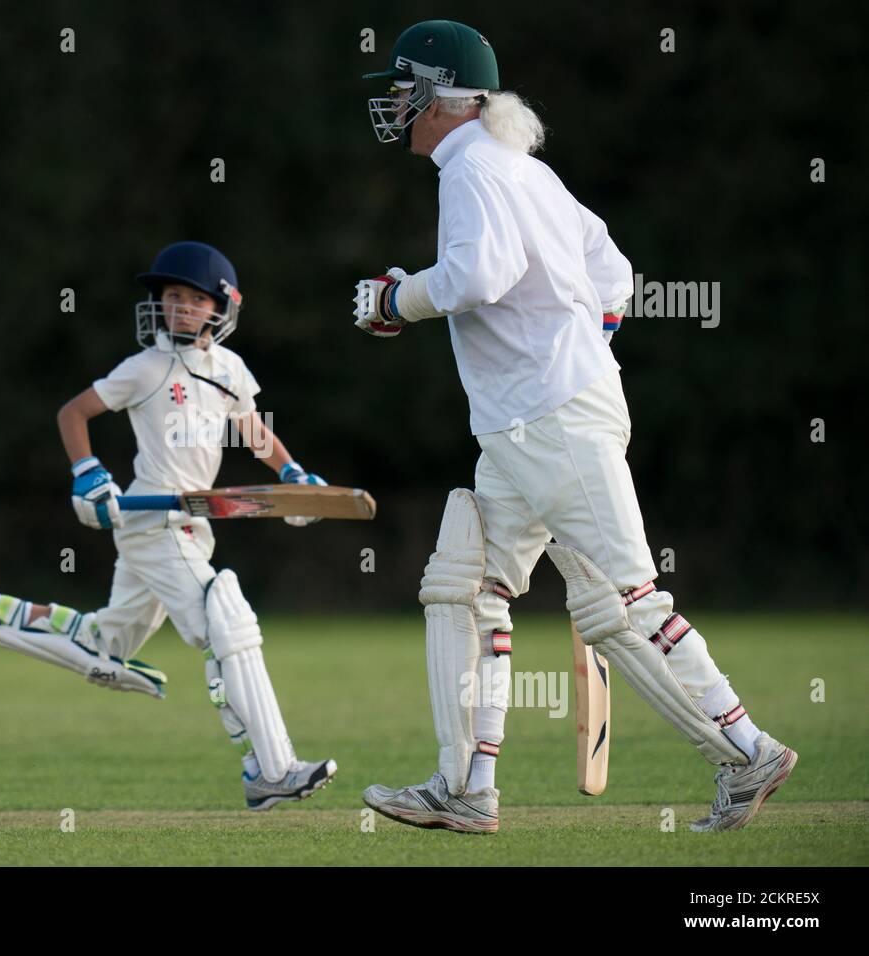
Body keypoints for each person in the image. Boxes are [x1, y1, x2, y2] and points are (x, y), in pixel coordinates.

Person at [352, 21, 796, 833]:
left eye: (401, 84)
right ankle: (468, 788)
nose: (392, 101)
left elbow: (480, 277)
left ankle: (748, 749)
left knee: (628, 600)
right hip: (530, 421)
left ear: (441, 94)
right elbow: (611, 271)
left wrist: (395, 299)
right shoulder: (524, 169)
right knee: (467, 585)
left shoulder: (475, 172)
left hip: (551, 419)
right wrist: (583, 344)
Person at [0, 241, 337, 810]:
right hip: (150, 522)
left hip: (192, 525)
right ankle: (268, 768)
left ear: (222, 306)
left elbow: (251, 432)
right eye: (171, 297)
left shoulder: (230, 372)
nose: (179, 308)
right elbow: (74, 412)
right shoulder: (146, 367)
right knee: (227, 621)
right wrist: (88, 472)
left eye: (193, 299)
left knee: (105, 645)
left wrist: (292, 473)